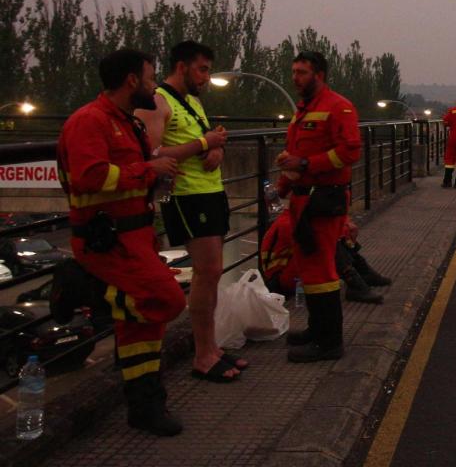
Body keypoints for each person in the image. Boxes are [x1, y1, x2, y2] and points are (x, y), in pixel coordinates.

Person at [57, 49, 187, 436]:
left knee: (143, 324)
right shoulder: (89, 122)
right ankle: (87, 288)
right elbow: (89, 176)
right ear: (132, 80)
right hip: (107, 241)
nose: (154, 84)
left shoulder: (129, 124)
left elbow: (130, 175)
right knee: (168, 300)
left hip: (136, 236)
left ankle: (145, 406)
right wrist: (147, 169)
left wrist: (155, 177)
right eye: (150, 78)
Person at [135, 41, 241, 383]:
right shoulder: (157, 101)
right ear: (182, 67)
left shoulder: (192, 101)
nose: (207, 77)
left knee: (212, 272)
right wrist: (204, 145)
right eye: (202, 69)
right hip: (187, 197)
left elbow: (206, 142)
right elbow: (150, 151)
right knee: (206, 272)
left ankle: (211, 347)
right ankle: (203, 354)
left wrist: (215, 152)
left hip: (210, 192)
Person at [276, 50, 362, 362]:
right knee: (309, 268)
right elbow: (295, 153)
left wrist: (308, 163)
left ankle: (329, 342)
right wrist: (283, 185)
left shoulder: (338, 107)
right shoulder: (304, 110)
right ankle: (316, 329)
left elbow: (350, 151)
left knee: (321, 269)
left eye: (301, 72)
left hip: (324, 198)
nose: (295, 78)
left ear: (319, 75)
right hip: (303, 198)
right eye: (294, 71)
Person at [260, 213, 389, 303]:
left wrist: (345, 227)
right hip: (284, 280)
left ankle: (361, 274)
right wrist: (345, 230)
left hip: (291, 271)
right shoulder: (290, 223)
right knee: (327, 241)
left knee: (329, 238)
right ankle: (356, 279)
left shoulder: (298, 218)